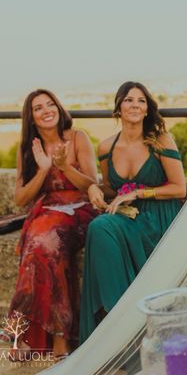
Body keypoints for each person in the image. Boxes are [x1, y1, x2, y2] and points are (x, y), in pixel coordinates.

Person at [81, 81, 186, 342]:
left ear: (148, 109)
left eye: (141, 100)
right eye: (129, 100)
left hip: (158, 216)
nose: (135, 105)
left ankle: (121, 325)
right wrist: (93, 188)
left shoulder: (160, 140)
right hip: (126, 215)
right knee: (99, 227)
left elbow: (179, 188)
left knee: (101, 227)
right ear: (118, 107)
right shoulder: (106, 147)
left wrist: (139, 193)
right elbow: (109, 190)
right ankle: (118, 323)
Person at [8, 89, 98, 361]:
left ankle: (53, 340)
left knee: (47, 241)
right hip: (46, 215)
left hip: (80, 212)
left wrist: (64, 167)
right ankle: (38, 338)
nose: (46, 110)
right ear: (31, 117)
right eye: (38, 107)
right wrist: (45, 169)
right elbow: (22, 198)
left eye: (50, 104)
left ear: (58, 109)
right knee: (39, 247)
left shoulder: (77, 138)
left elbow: (92, 184)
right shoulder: (28, 149)